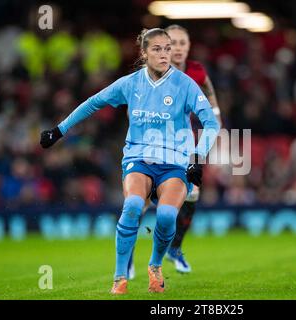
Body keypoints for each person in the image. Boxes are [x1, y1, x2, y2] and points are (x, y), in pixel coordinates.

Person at [39, 28, 220, 294]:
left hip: (174, 163)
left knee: (168, 215)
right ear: (144, 53)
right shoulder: (131, 83)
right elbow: (93, 103)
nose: (164, 54)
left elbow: (211, 122)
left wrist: (197, 159)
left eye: (167, 48)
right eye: (157, 49)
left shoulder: (185, 84)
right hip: (139, 159)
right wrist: (59, 130)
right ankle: (119, 277)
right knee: (134, 204)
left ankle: (155, 266)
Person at [128, 24, 222, 278]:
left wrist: (212, 129)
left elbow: (214, 110)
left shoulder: (196, 72)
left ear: (189, 46)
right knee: (142, 200)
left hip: (184, 144)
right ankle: (128, 256)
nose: (179, 48)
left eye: (183, 43)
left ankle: (175, 248)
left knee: (192, 194)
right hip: (152, 143)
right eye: (174, 43)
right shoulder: (152, 72)